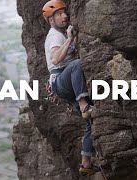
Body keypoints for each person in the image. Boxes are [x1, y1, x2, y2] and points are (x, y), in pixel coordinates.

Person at [43, 0, 97, 176]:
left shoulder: (60, 33)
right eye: (59, 14)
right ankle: (83, 104)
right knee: (77, 64)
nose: (64, 16)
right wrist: (70, 40)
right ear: (51, 20)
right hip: (61, 80)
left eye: (64, 12)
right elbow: (56, 59)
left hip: (66, 83)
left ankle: (86, 162)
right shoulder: (55, 36)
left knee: (90, 122)